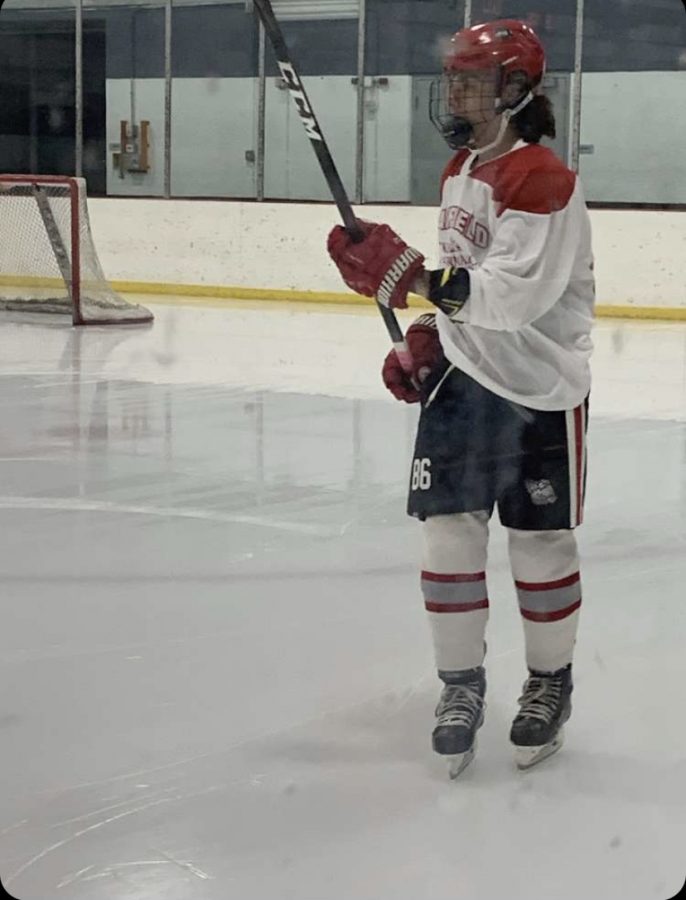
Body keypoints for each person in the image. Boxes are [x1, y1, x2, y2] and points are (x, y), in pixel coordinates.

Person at [327, 19, 595, 778]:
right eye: (453, 78)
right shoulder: (460, 169)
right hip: (467, 381)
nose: (456, 92)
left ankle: (550, 685)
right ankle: (461, 688)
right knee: (447, 534)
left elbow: (508, 299)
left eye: (473, 79)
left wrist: (400, 274)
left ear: (515, 89)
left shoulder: (543, 179)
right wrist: (428, 338)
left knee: (541, 543)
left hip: (541, 390)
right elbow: (462, 288)